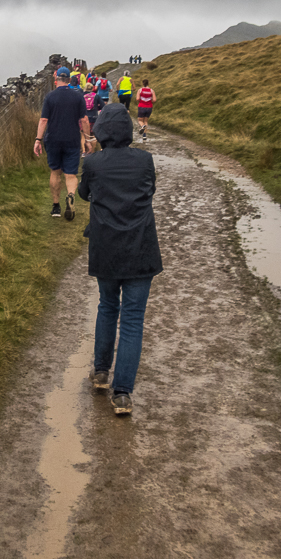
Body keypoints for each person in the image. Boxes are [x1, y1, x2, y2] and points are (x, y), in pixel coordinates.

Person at [78, 103, 162, 415]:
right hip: (141, 248)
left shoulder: (94, 163)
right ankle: (122, 393)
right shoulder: (145, 160)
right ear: (127, 130)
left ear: (101, 132)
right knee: (132, 319)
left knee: (107, 306)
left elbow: (86, 194)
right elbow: (149, 190)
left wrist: (90, 154)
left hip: (107, 248)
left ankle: (101, 372)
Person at [34, 66, 91, 220]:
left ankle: (56, 207)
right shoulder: (78, 96)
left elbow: (43, 120)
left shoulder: (50, 97)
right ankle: (71, 196)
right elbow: (84, 119)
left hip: (53, 139)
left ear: (56, 79)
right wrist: (87, 139)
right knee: (71, 174)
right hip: (72, 139)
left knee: (55, 172)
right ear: (70, 79)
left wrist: (38, 140)